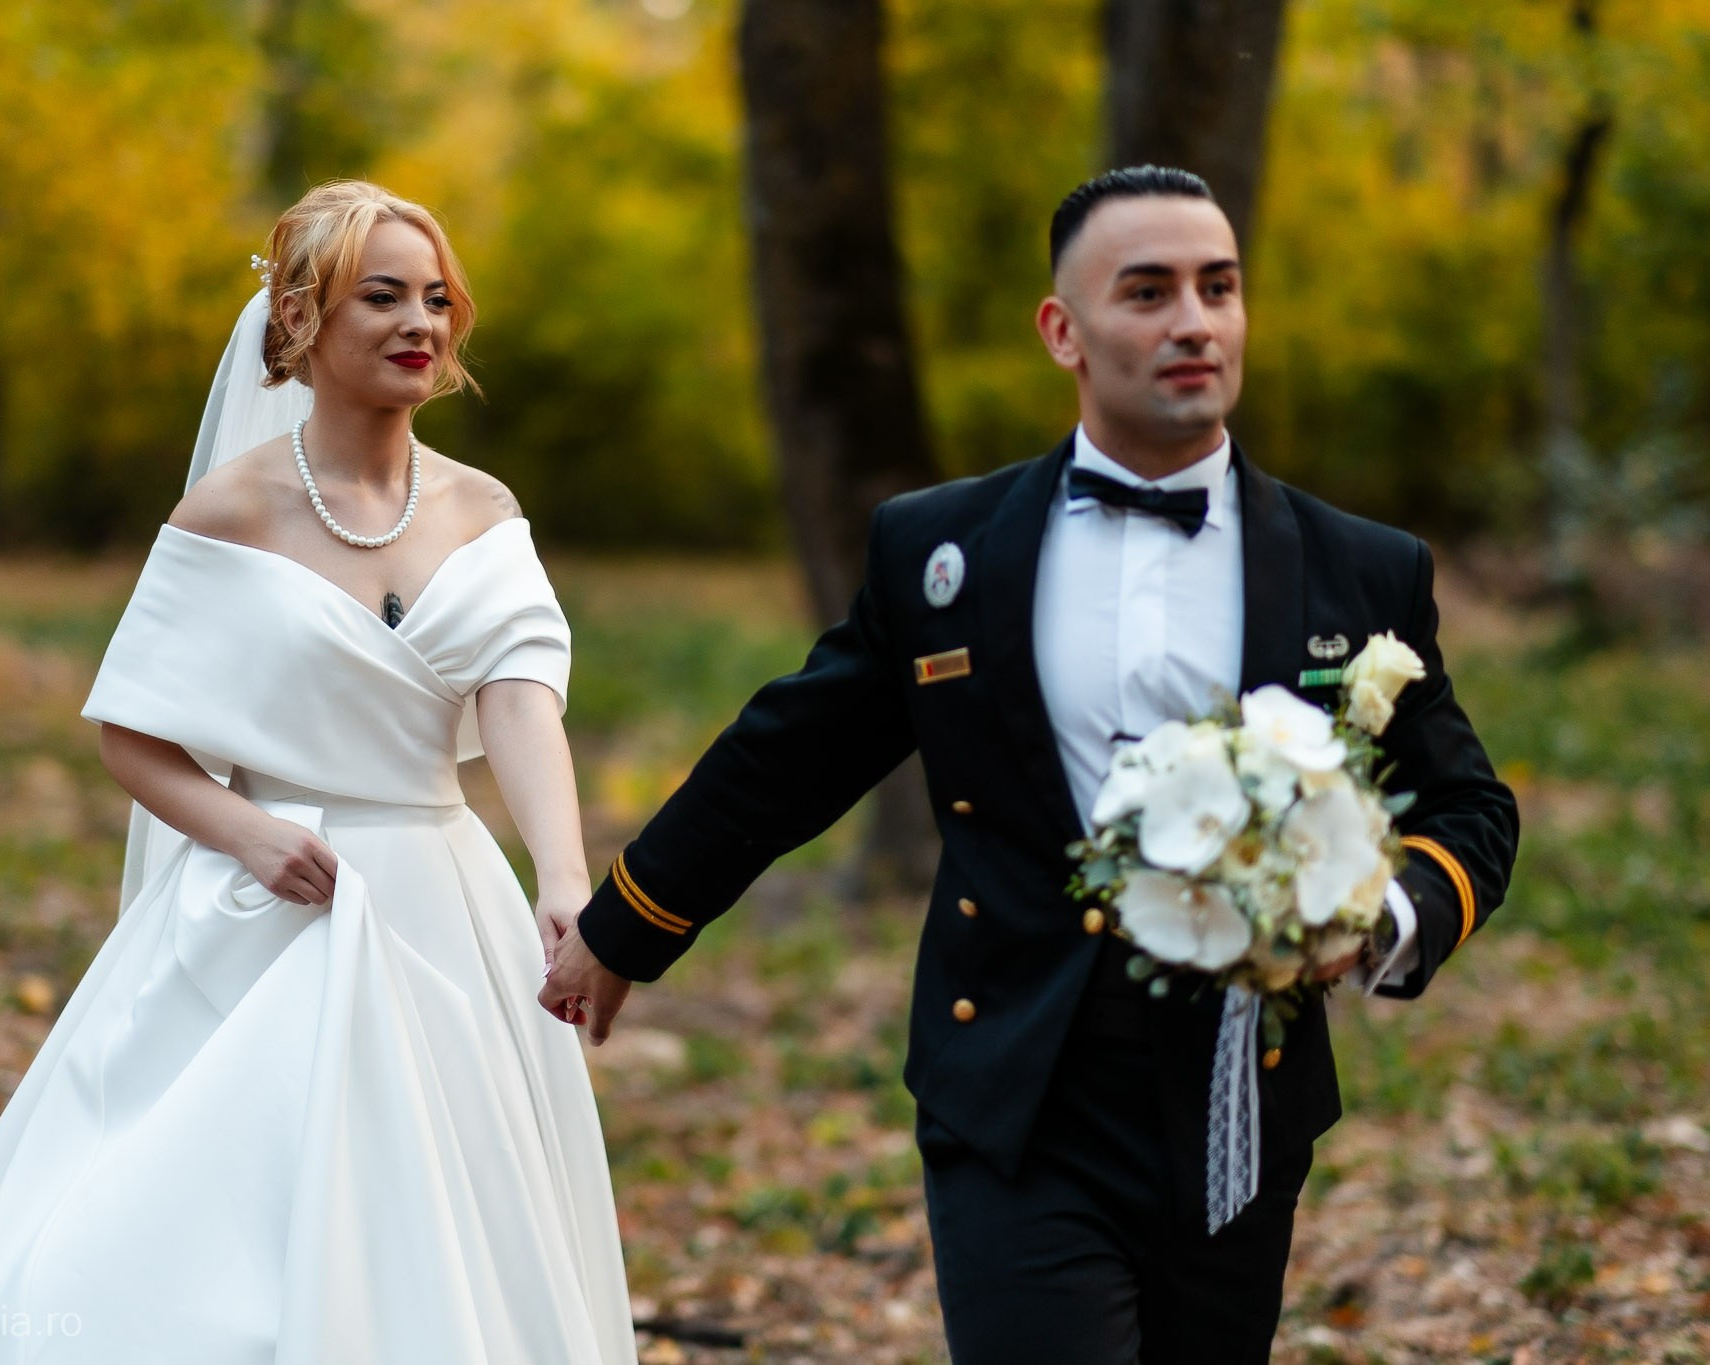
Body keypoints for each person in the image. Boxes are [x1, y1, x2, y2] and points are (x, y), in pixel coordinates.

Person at [539, 166, 1518, 1362]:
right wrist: (625, 925)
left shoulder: (1358, 568)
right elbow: (792, 752)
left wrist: (1378, 917)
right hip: (1011, 1076)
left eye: (1216, 287)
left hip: (1235, 1092)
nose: (1192, 322)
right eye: (1146, 292)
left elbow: (1466, 807)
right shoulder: (940, 548)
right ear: (1063, 330)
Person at [0, 181, 636, 1365]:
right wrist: (244, 833)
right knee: (220, 1212)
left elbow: (520, 702)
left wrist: (559, 872)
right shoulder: (227, 511)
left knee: (441, 1213)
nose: (420, 325)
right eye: (382, 296)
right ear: (300, 319)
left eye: (436, 300)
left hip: (440, 902)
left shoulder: (484, 511)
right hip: (273, 905)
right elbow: (132, 735)